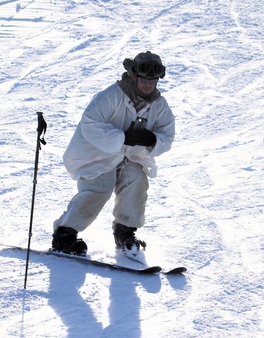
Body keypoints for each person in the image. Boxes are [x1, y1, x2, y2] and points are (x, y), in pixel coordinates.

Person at [50, 51, 176, 261]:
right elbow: (90, 124)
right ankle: (64, 234)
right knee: (100, 188)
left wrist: (152, 140)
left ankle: (125, 233)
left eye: (153, 80)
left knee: (136, 181)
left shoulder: (159, 105)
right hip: (96, 156)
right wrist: (122, 137)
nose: (148, 85)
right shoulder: (111, 96)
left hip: (131, 157)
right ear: (134, 76)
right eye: (144, 79)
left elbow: (167, 135)